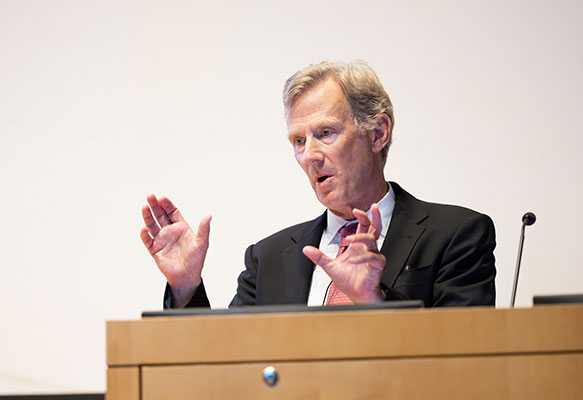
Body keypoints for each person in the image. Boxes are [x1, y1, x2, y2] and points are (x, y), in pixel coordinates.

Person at [140, 61, 496, 309]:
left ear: (378, 133)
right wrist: (185, 287)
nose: (309, 155)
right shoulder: (267, 258)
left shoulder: (456, 235)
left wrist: (373, 301)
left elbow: (462, 358)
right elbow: (225, 367)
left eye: (324, 133)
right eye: (298, 141)